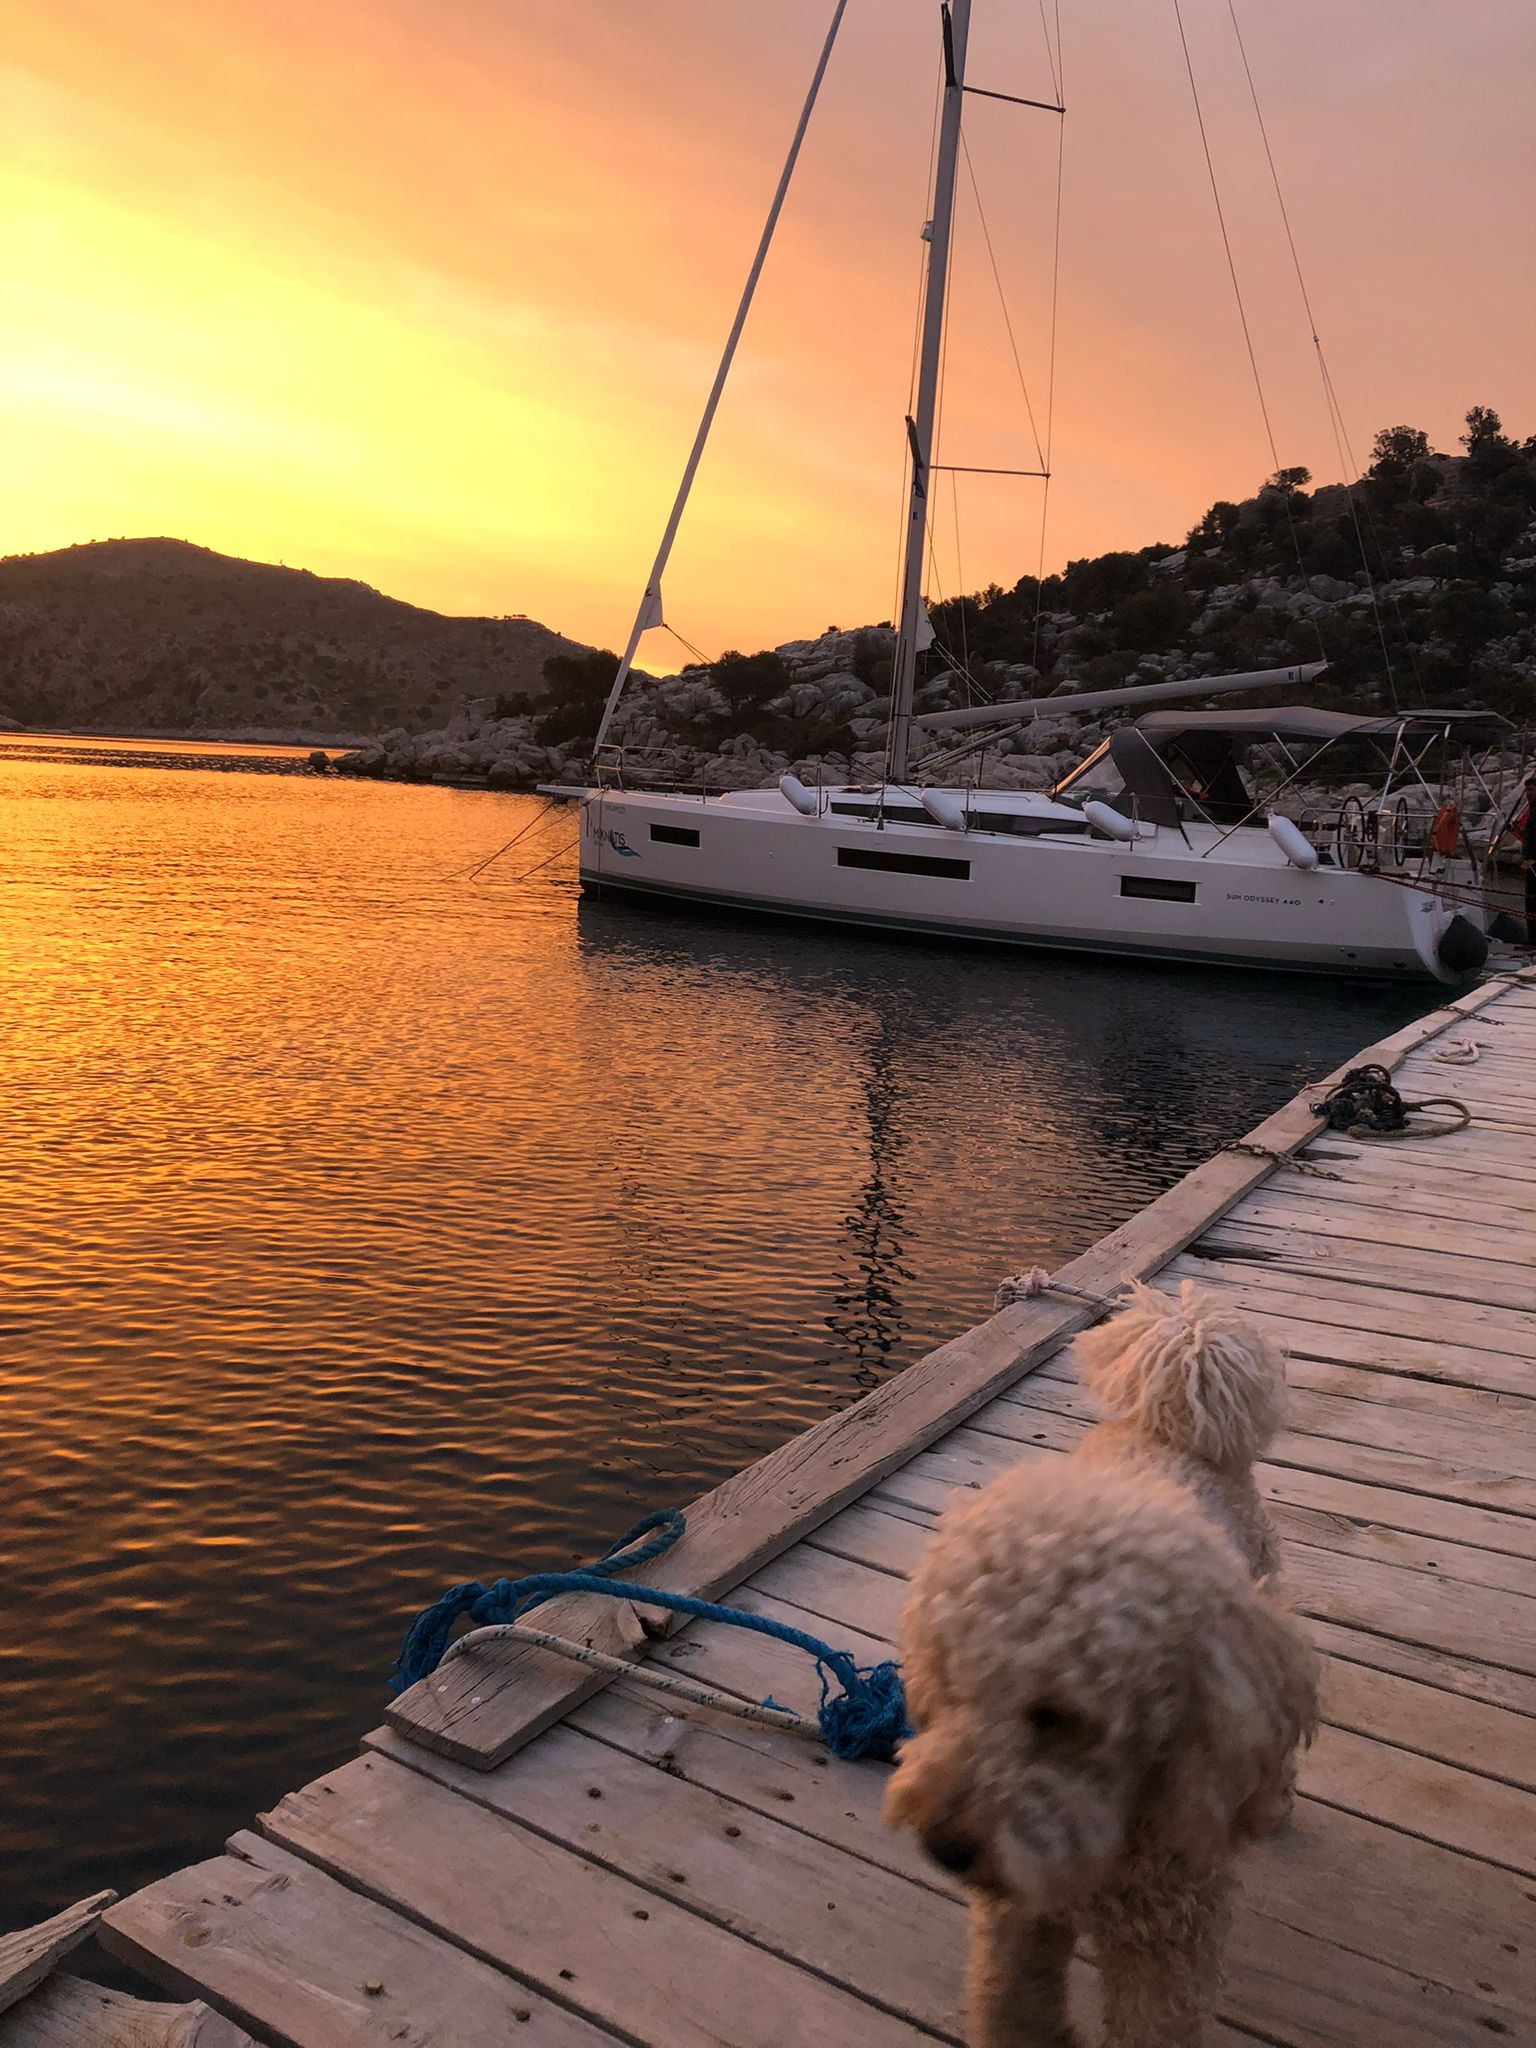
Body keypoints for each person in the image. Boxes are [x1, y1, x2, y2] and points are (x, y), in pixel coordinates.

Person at [1523, 770, 1536, 946]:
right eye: (1526, 790)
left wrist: (1534, 858)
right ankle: (1532, 939)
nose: (1528, 793)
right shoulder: (1532, 809)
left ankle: (1534, 941)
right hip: (1529, 861)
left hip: (1534, 863)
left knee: (1533, 902)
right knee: (1530, 901)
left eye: (1531, 790)